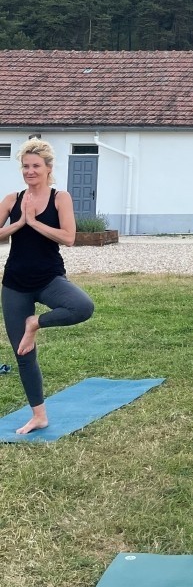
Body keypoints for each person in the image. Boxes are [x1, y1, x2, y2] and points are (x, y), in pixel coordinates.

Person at [0, 138, 94, 434]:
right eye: (26, 166)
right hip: (15, 283)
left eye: (36, 166)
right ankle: (39, 415)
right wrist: (17, 224)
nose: (30, 171)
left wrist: (34, 222)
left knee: (82, 306)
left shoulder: (59, 197)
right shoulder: (11, 200)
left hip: (49, 278)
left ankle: (35, 323)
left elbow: (69, 237)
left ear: (48, 168)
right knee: (23, 354)